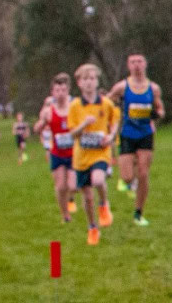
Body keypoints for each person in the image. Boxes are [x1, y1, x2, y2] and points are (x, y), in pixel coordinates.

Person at [107, 52, 165, 226]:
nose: (136, 65)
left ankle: (138, 213)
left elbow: (161, 109)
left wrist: (156, 114)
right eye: (133, 62)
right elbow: (107, 103)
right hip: (127, 133)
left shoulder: (153, 88)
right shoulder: (121, 87)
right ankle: (126, 180)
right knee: (127, 177)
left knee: (144, 173)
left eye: (139, 61)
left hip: (146, 133)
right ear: (128, 65)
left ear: (145, 64)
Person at [67, 63, 120, 246]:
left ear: (97, 82)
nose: (89, 82)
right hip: (81, 157)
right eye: (85, 79)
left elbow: (114, 122)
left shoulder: (106, 104)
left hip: (100, 152)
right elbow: (73, 133)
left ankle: (104, 205)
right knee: (87, 196)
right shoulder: (74, 106)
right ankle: (92, 227)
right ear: (79, 83)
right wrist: (84, 124)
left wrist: (111, 136)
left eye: (92, 78)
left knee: (98, 180)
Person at [38, 75, 73, 219]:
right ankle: (65, 214)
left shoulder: (74, 106)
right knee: (60, 186)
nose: (60, 93)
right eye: (57, 90)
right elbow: (39, 125)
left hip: (73, 152)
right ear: (52, 92)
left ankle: (71, 200)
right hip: (57, 153)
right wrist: (40, 125)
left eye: (63, 90)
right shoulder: (48, 109)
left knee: (73, 186)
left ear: (68, 91)